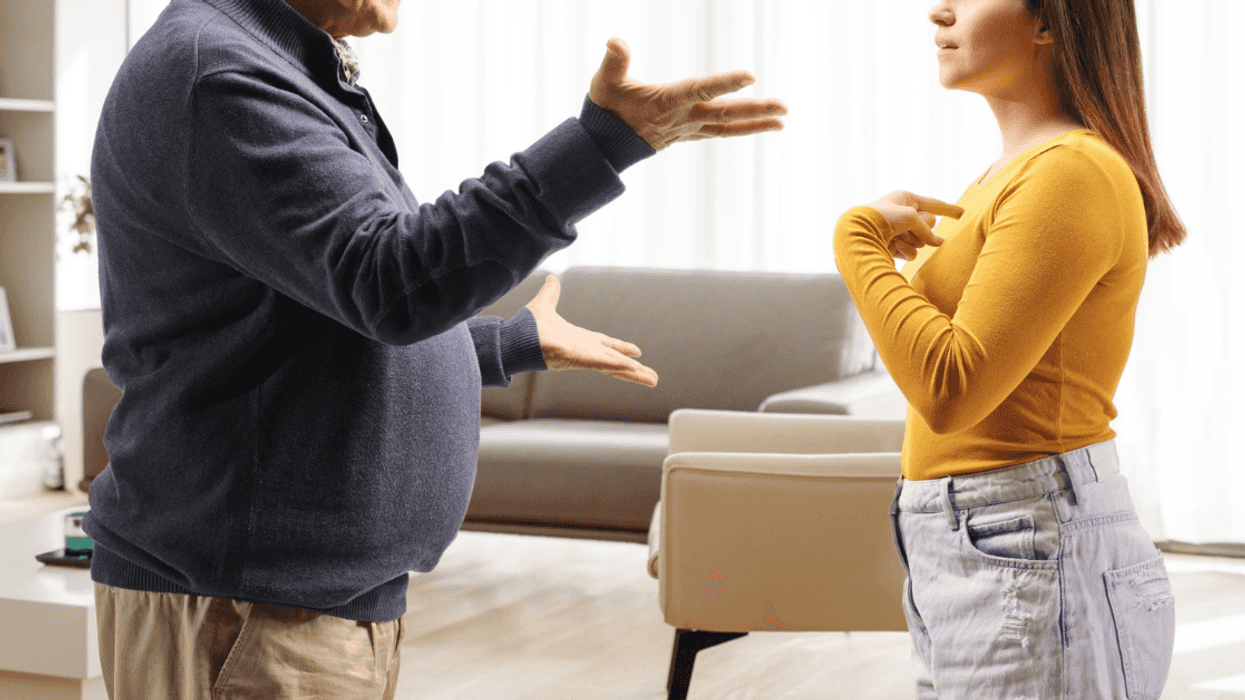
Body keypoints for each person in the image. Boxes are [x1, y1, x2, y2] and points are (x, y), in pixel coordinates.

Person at [82, 0, 786, 696]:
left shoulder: (260, 65)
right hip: (243, 607)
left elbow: (319, 315)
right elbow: (391, 280)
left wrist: (503, 344)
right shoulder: (220, 78)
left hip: (289, 602)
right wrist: (599, 147)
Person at [832, 0, 1185, 697]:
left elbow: (951, 387)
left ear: (1049, 21)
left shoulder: (1070, 171)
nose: (938, 12)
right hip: (985, 541)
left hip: (1025, 539)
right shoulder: (1009, 176)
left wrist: (856, 241)